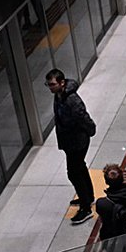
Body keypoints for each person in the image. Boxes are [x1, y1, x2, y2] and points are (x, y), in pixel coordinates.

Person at [46, 69, 96, 225]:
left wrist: (90, 130)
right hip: (69, 140)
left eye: (52, 84)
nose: (50, 88)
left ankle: (86, 207)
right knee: (80, 168)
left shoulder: (71, 99)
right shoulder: (59, 95)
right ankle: (88, 197)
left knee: (73, 173)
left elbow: (83, 117)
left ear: (62, 83)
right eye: (48, 85)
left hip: (77, 141)